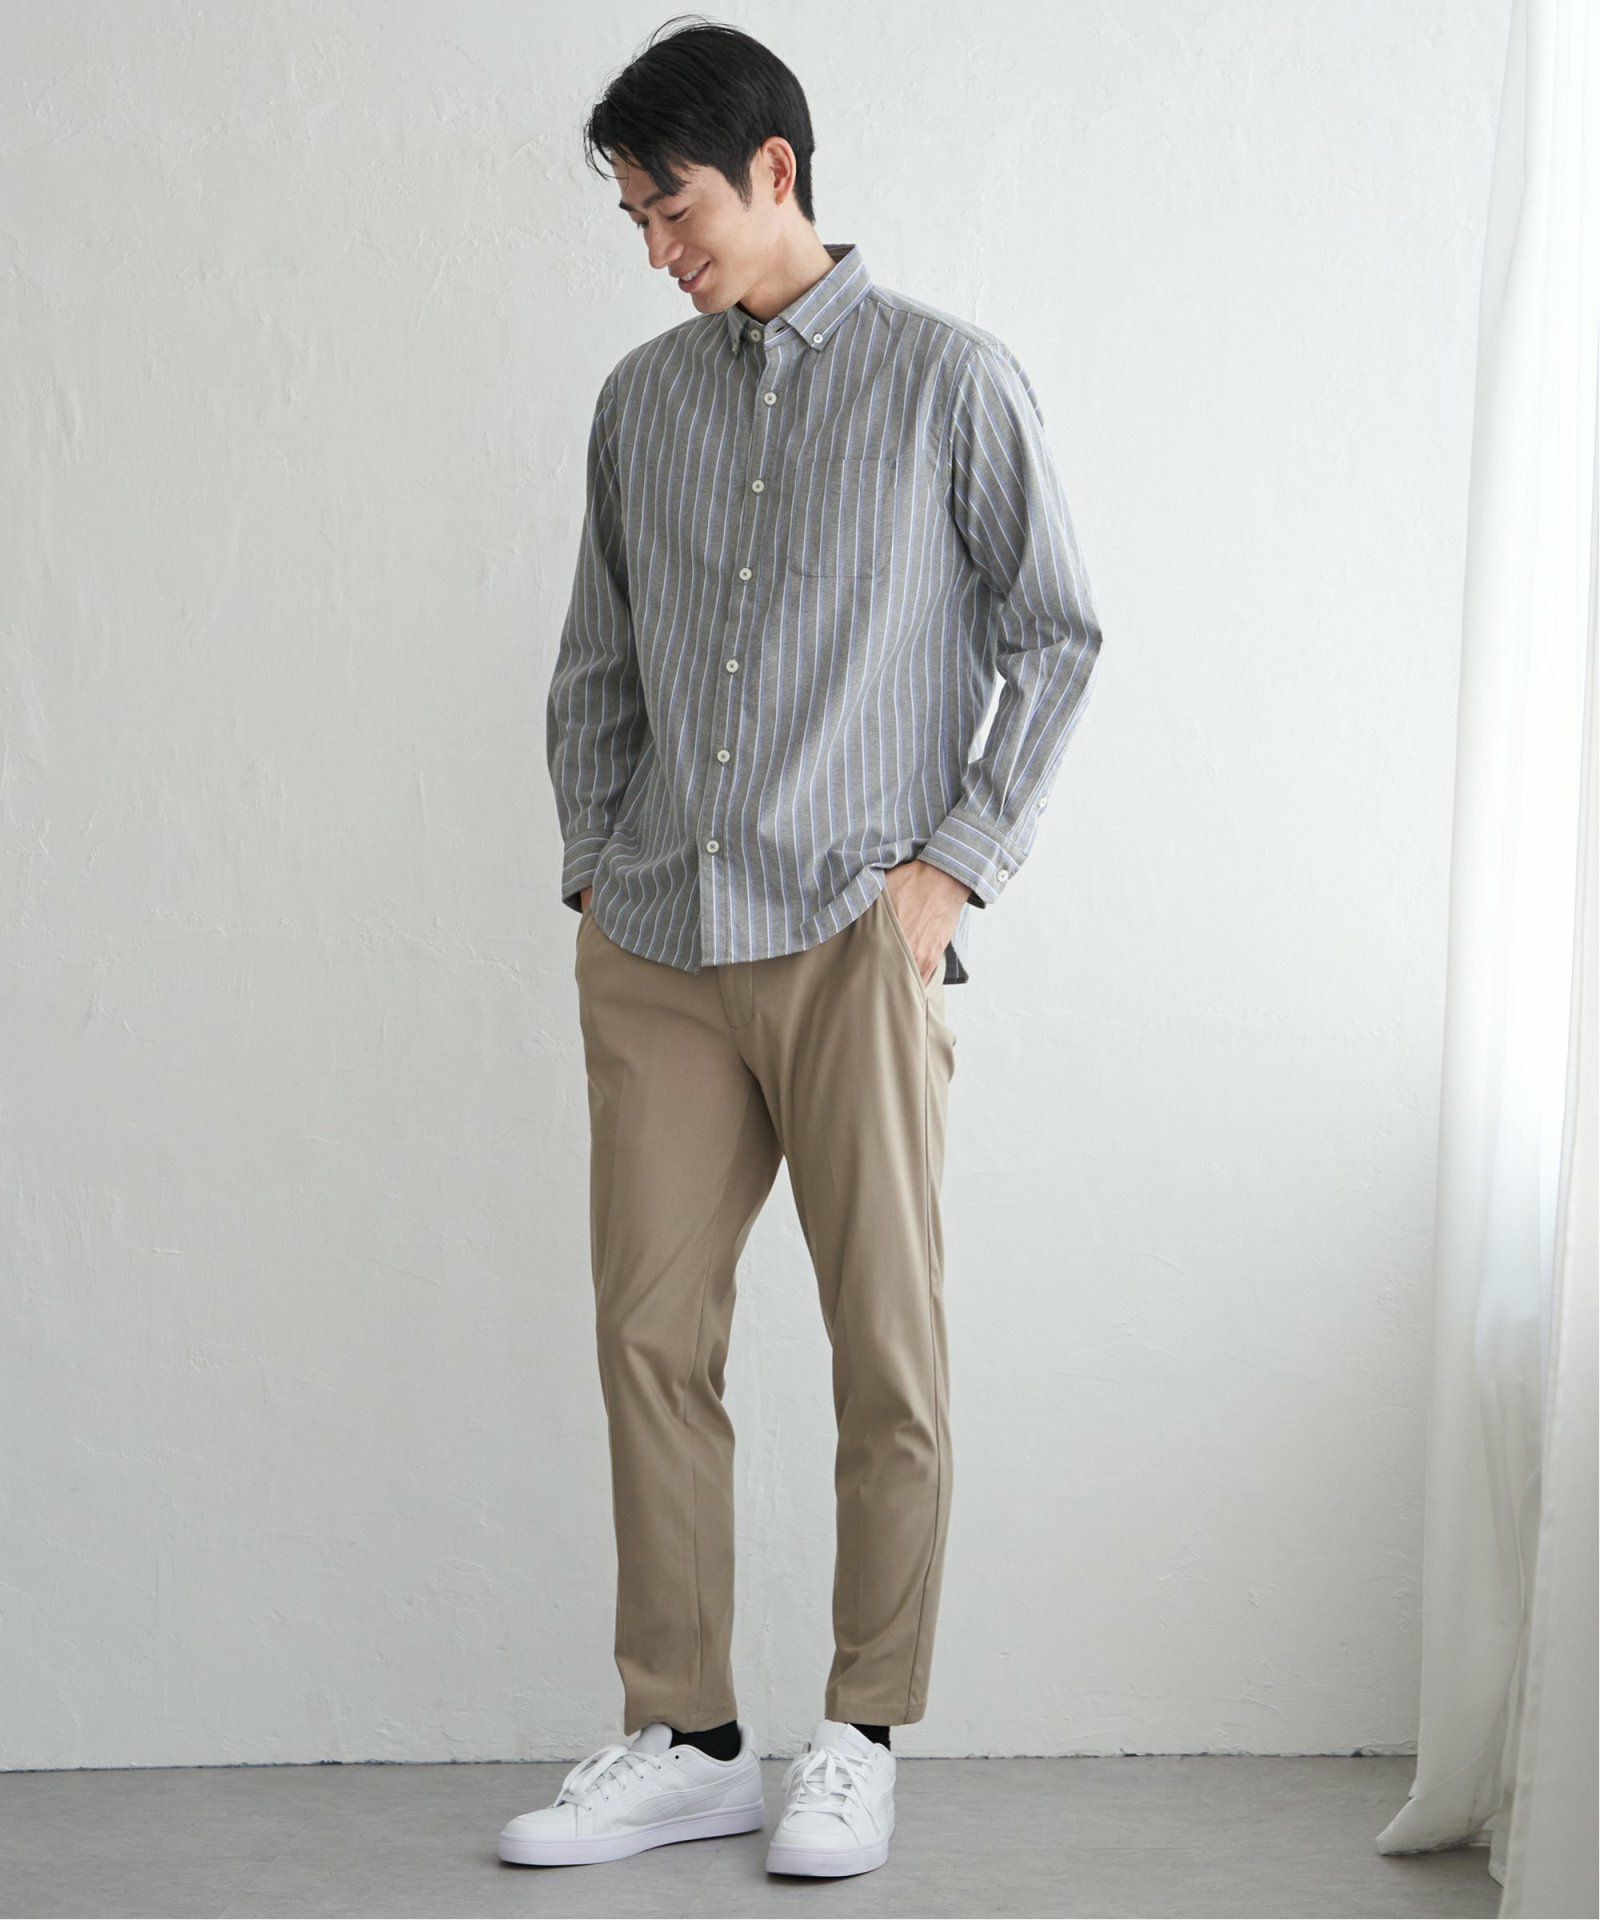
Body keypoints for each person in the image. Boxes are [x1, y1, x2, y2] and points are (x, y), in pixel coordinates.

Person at [500, 16, 1102, 1882]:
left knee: (883, 1347)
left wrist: (952, 874)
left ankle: (860, 1732)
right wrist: (594, 872)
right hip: (659, 942)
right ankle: (686, 1735)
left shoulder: (948, 382)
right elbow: (596, 665)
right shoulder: (641, 404)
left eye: (669, 206)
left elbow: (1058, 633)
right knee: (649, 1337)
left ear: (776, 169)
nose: (654, 248)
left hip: (854, 940)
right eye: (630, 218)